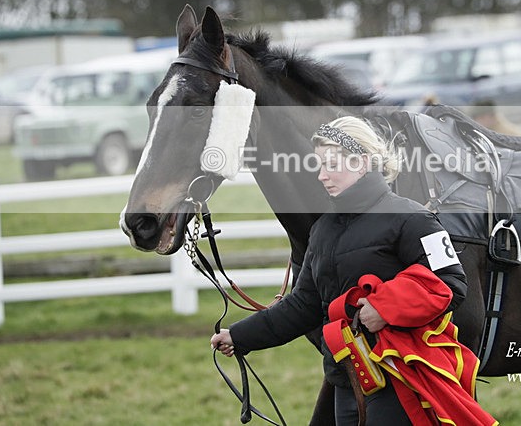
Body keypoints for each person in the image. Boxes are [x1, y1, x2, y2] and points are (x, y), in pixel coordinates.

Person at [211, 116, 497, 426]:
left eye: (331, 165)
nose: (322, 175)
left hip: (401, 381)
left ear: (361, 163)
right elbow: (304, 304)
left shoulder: (415, 219)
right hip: (344, 381)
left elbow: (451, 283)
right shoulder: (321, 230)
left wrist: (385, 307)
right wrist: (239, 336)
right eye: (319, 165)